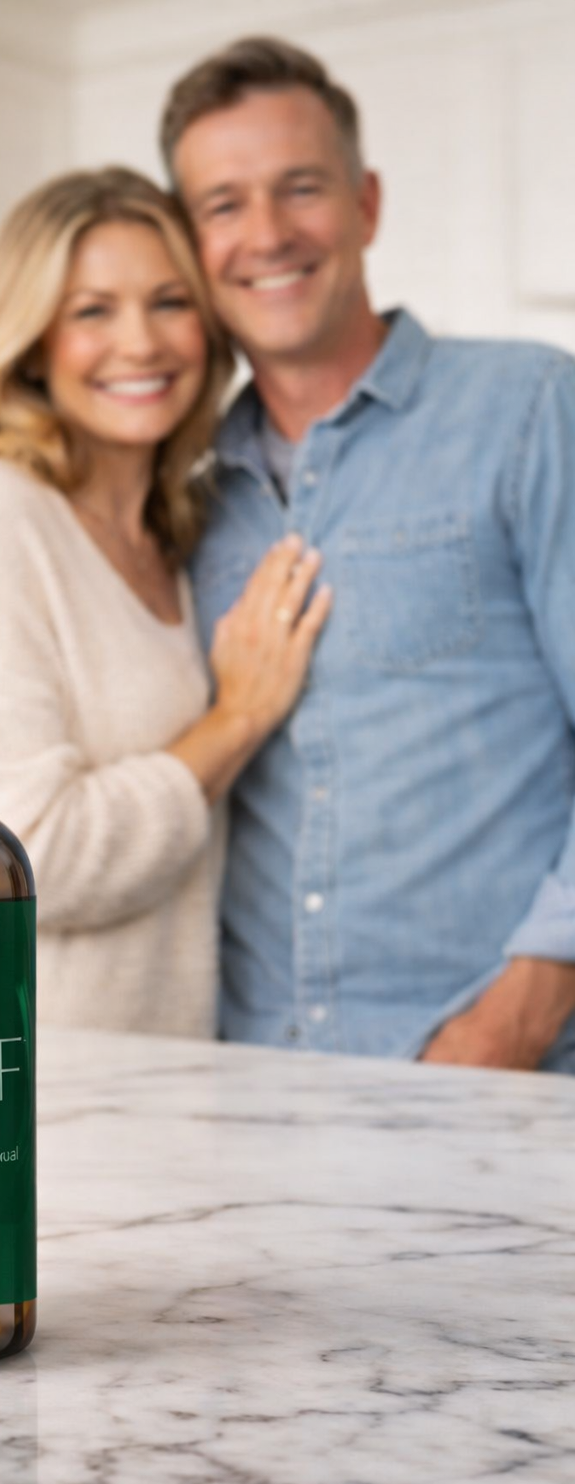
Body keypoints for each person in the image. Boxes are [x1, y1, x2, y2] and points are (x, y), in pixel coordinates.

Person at [161, 36, 575, 1070]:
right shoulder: (187, 488)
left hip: (500, 1080)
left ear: (365, 203)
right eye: (222, 204)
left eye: (299, 188)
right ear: (190, 239)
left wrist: (510, 1026)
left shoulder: (528, 408)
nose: (265, 234)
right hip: (261, 1085)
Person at [0, 168, 331, 1036]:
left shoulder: (178, 535)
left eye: (169, 302)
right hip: (31, 1088)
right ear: (30, 340)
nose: (142, 342)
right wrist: (235, 720)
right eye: (92, 311)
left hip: (164, 1074)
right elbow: (12, 853)